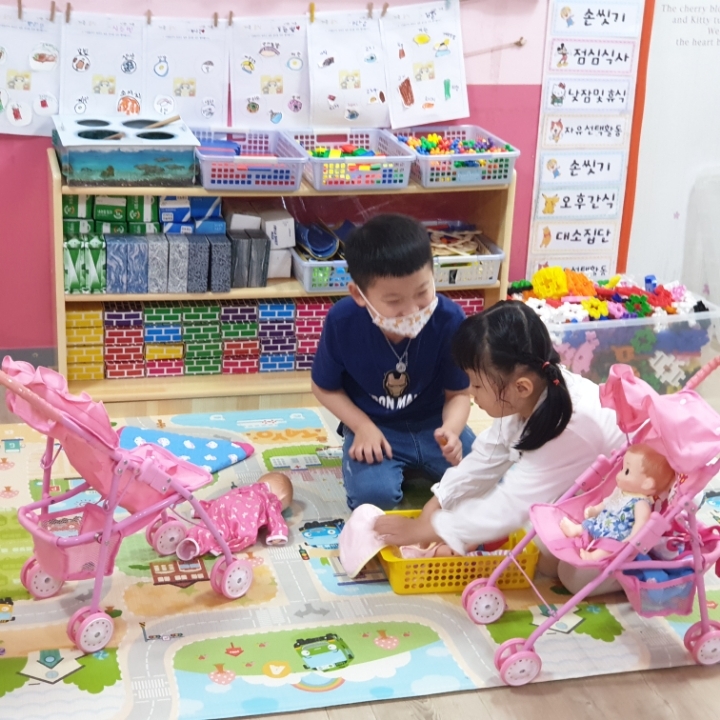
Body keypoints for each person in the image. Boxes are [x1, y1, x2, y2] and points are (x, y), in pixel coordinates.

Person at [374, 300, 625, 555]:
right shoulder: (528, 393)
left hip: (630, 504)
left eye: (477, 385)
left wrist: (426, 530)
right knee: (531, 533)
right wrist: (439, 501)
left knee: (549, 551)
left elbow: (510, 507)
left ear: (521, 387)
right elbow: (488, 454)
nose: (471, 393)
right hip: (591, 489)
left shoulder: (569, 426)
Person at [311, 213, 475, 510]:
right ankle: (400, 466)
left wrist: (452, 430)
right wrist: (361, 426)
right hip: (375, 426)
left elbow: (459, 393)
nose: (412, 310)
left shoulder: (449, 319)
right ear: (359, 294)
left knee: (491, 482)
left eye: (422, 292)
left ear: (433, 275)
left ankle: (417, 465)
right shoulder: (342, 322)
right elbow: (324, 387)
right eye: (394, 301)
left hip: (436, 424)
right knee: (373, 498)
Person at [175, 472, 293, 560]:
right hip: (239, 517)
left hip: (223, 503)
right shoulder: (271, 500)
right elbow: (276, 518)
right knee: (226, 532)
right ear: (281, 497)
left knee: (214, 520)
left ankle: (184, 534)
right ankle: (198, 544)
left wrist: (205, 508)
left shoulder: (247, 489)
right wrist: (278, 534)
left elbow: (228, 496)